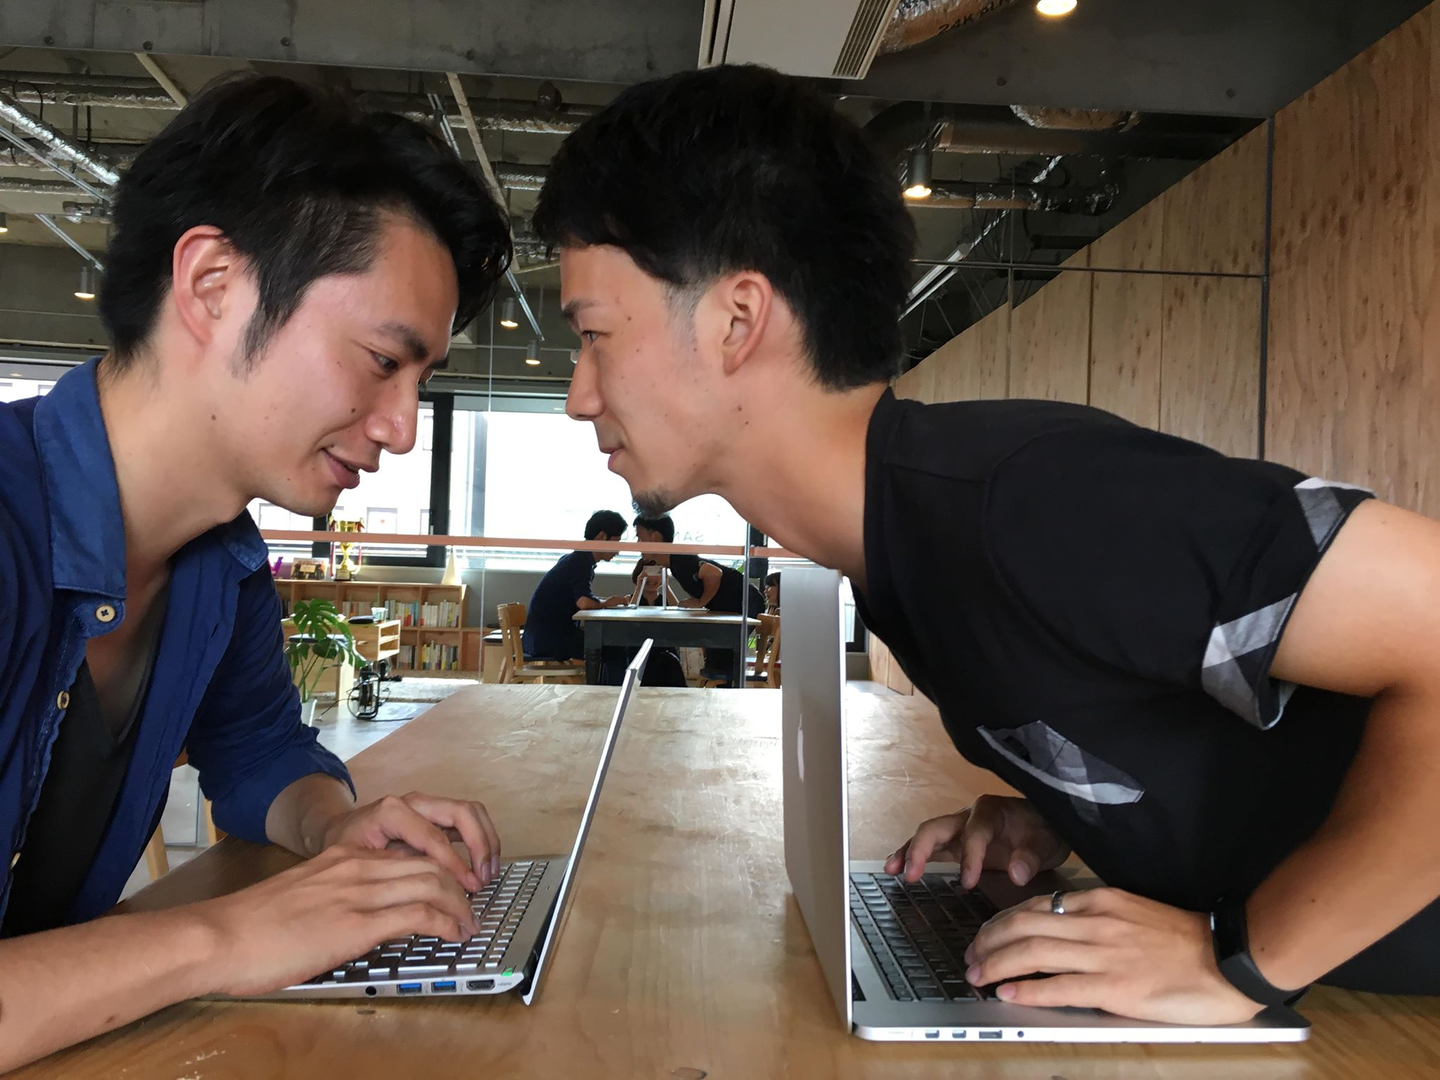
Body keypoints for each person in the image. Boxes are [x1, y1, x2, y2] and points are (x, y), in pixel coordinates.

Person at [534, 63, 1440, 1022]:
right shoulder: (899, 553)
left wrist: (1237, 965)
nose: (579, 395)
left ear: (738, 319)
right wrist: (1075, 804)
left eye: (594, 334)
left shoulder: (1026, 498)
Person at [0, 74, 512, 1070]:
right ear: (212, 287)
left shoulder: (219, 560)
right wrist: (227, 936)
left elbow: (255, 752)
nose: (404, 429)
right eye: (382, 360)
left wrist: (337, 829)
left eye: (422, 382)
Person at [632, 513, 762, 684]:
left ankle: (729, 693)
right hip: (737, 604)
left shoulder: (679, 558)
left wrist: (701, 603)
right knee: (719, 662)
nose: (637, 544)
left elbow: (713, 573)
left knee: (725, 663)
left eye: (640, 538)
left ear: (656, 537)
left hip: (746, 601)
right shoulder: (674, 563)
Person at [522, 509, 630, 664]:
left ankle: (603, 681)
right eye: (616, 542)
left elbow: (582, 599)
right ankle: (605, 682)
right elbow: (584, 602)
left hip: (540, 637)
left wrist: (605, 602)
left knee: (609, 644)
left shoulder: (576, 558)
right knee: (614, 648)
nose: (618, 551)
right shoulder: (581, 562)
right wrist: (606, 603)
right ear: (601, 536)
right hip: (549, 640)